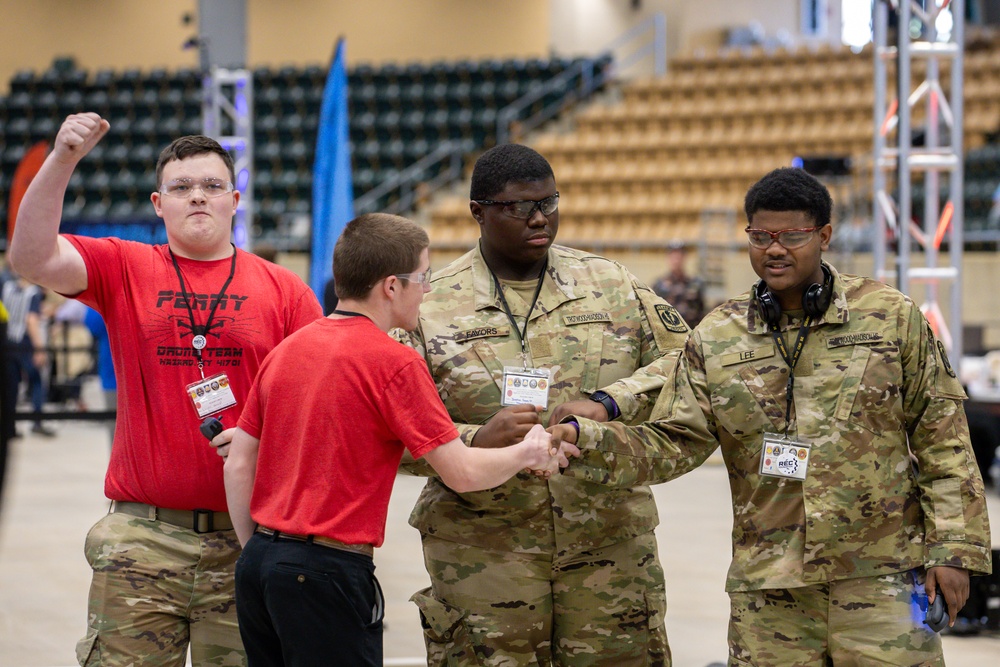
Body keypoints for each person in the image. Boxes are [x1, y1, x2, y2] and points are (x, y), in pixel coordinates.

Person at [551, 167, 993, 666]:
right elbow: (674, 441)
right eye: (760, 236)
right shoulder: (717, 336)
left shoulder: (890, 317)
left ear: (824, 235)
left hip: (882, 579)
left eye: (792, 236)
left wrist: (954, 551)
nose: (775, 249)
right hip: (770, 592)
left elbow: (944, 437)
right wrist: (586, 439)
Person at [9, 112, 322, 666]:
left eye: (211, 186)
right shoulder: (125, 266)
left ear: (234, 199)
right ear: (159, 204)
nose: (197, 196)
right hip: (141, 539)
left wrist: (264, 438)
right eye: (181, 187)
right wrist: (62, 158)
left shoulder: (286, 290)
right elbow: (30, 256)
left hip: (248, 540)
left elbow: (319, 408)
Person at [225, 212, 577, 667]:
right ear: (392, 286)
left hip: (258, 566)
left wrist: (258, 552)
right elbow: (462, 473)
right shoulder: (394, 362)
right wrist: (529, 450)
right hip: (326, 569)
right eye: (423, 277)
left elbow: (238, 464)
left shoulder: (288, 349)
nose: (427, 290)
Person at [401, 143, 690, 666]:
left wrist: (610, 400)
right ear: (477, 213)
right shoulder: (429, 305)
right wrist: (471, 441)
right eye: (518, 207)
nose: (540, 218)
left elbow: (689, 365)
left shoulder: (610, 285)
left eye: (549, 202)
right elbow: (383, 425)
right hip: (483, 556)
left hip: (608, 545)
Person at [2, 272, 54, 437]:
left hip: (9, 342)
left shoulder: (8, 288)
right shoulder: (33, 292)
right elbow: (31, 320)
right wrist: (39, 348)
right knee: (37, 382)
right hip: (25, 343)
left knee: (12, 386)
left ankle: (9, 426)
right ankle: (37, 422)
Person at [651, 241, 706, 327]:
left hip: (691, 333)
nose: (676, 260)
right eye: (673, 256)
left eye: (679, 256)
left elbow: (701, 312)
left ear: (684, 257)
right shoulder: (659, 285)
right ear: (668, 258)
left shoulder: (696, 284)